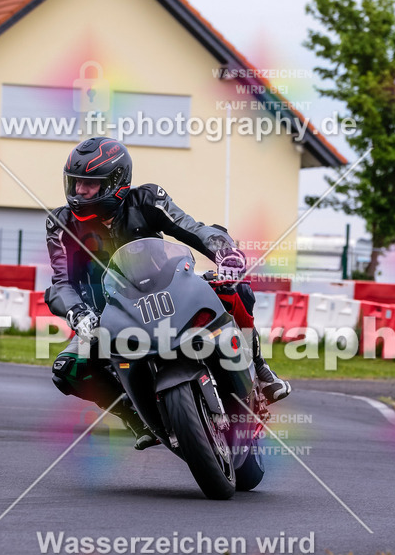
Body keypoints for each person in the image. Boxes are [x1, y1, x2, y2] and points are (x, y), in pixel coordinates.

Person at [45, 136, 290, 449]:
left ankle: (259, 368)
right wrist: (78, 313)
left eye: (89, 185)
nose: (79, 192)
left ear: (115, 182)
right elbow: (61, 282)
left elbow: (193, 228)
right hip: (109, 315)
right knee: (67, 369)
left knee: (233, 287)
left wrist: (223, 251)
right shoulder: (60, 223)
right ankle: (134, 416)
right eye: (76, 183)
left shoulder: (148, 199)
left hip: (169, 293)